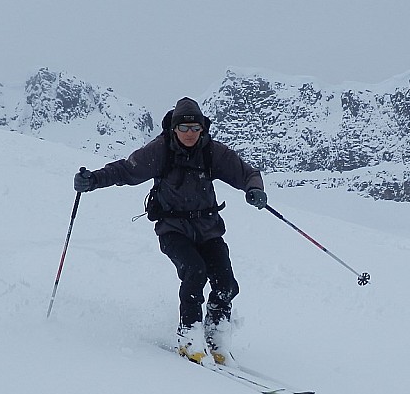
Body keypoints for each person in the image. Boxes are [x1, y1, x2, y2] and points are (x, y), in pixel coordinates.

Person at [73, 97, 267, 364]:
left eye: (195, 129)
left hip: (208, 229)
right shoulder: (160, 151)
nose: (190, 134)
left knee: (226, 283)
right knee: (195, 271)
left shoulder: (211, 151)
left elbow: (245, 172)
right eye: (184, 128)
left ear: (203, 129)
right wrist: (93, 179)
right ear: (174, 128)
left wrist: (254, 189)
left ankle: (216, 335)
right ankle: (189, 335)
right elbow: (126, 171)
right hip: (173, 229)